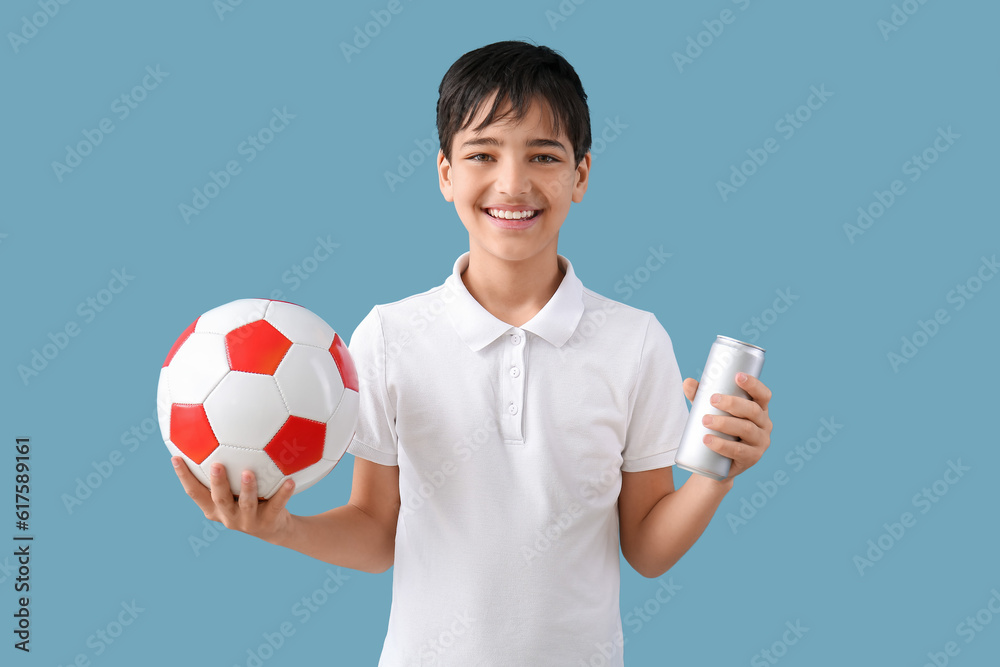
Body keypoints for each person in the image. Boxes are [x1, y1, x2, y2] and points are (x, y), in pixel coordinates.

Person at [172, 40, 774, 665]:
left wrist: (715, 473)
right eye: (482, 153)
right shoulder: (388, 335)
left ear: (581, 176)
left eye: (544, 156)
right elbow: (377, 534)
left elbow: (648, 547)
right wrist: (282, 528)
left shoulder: (634, 341)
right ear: (445, 173)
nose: (512, 183)